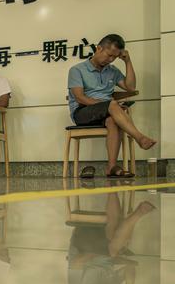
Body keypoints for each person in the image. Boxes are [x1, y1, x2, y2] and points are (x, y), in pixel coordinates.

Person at [67, 33, 156, 178]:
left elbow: (131, 87)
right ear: (98, 49)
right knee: (114, 106)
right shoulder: (77, 70)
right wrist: (109, 105)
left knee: (113, 120)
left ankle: (111, 167)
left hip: (107, 111)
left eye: (115, 57)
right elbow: (80, 97)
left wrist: (127, 61)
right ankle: (140, 138)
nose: (110, 60)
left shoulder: (112, 71)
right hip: (82, 112)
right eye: (109, 55)